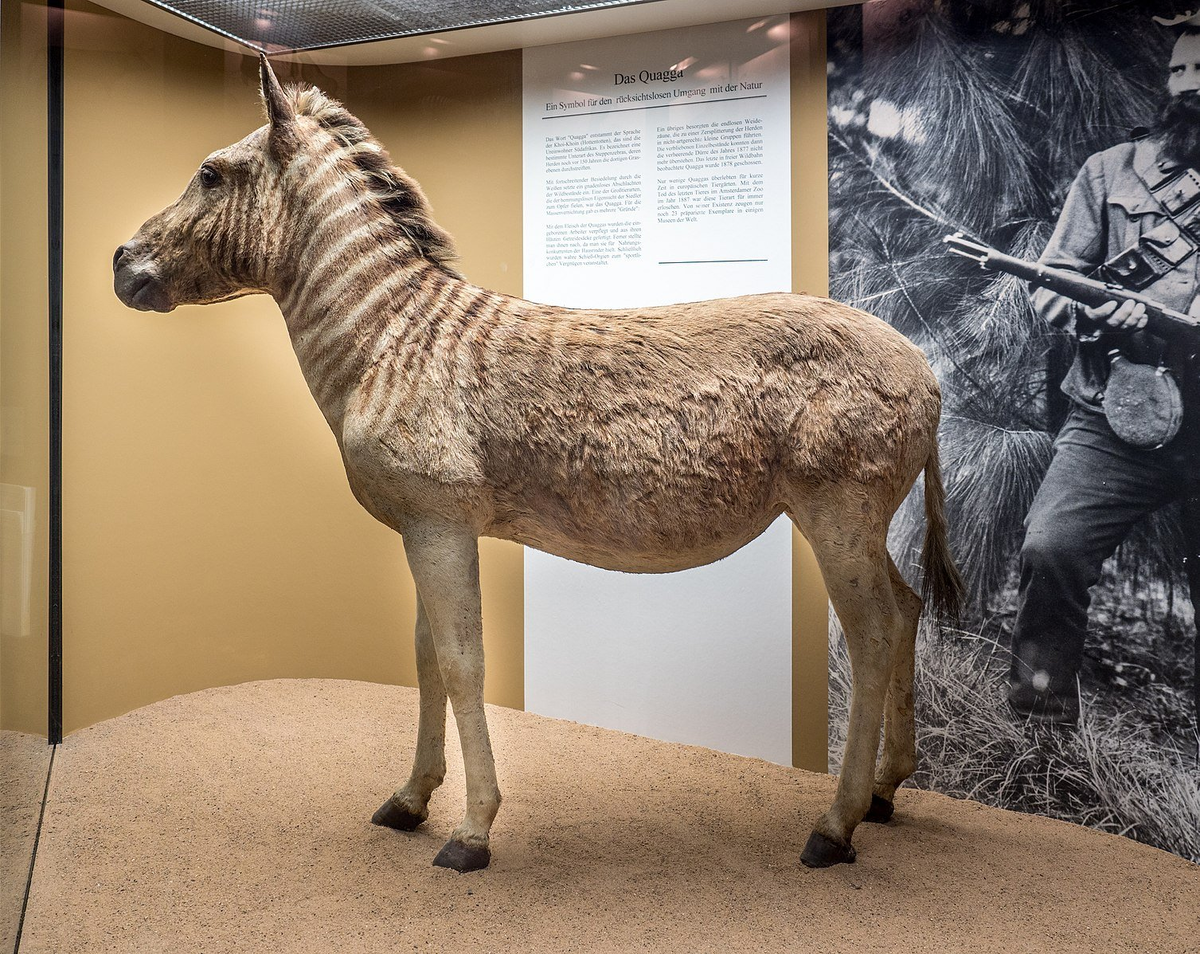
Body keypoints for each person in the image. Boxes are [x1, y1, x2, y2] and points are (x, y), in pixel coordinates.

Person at [1008, 24, 1200, 725]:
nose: (1190, 80)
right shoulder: (1111, 171)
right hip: (1117, 401)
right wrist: (1096, 316)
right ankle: (1040, 726)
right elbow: (1052, 280)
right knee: (1051, 547)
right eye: (1181, 67)